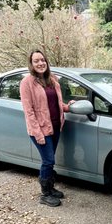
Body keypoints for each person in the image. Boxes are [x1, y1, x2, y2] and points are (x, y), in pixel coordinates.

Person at [20, 50, 74, 207]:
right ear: (31, 64)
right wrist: (37, 133)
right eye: (36, 61)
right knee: (48, 160)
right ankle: (45, 194)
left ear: (46, 61)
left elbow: (55, 104)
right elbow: (28, 112)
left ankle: (50, 188)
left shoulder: (52, 80)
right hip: (40, 129)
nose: (40, 63)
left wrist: (68, 107)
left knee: (50, 160)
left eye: (42, 60)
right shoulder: (27, 83)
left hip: (56, 126)